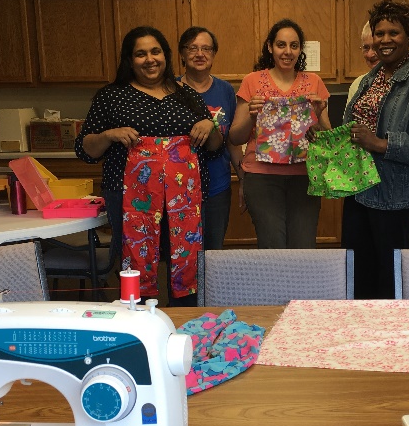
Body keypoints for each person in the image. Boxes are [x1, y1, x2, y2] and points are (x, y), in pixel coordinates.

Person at [75, 26, 222, 306]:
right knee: (137, 261)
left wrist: (208, 124)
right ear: (130, 61)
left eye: (155, 51)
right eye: (140, 54)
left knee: (186, 260)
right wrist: (109, 135)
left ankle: (185, 323)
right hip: (131, 197)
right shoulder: (112, 96)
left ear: (165, 56)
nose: (149, 59)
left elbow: (214, 146)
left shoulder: (186, 95)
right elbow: (85, 149)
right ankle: (139, 325)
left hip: (184, 198)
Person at [342, 0, 409, 299]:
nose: (385, 40)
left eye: (394, 33)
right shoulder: (370, 80)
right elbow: (354, 133)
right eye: (380, 33)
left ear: (408, 36)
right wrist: (325, 137)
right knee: (356, 277)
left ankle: (390, 342)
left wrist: (380, 143)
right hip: (358, 191)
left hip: (396, 197)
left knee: (389, 283)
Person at [229, 19, 331, 249]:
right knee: (272, 246)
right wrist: (252, 117)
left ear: (300, 49)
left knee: (303, 247)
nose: (287, 51)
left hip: (305, 177)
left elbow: (327, 138)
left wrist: (317, 115)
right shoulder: (252, 81)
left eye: (294, 46)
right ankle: (274, 287)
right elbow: (235, 137)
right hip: (261, 178)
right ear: (270, 47)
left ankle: (301, 287)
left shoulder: (314, 82)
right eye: (281, 45)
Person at [177, 26, 242, 250]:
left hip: (217, 186)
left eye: (206, 48)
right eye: (192, 48)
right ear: (182, 54)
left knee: (213, 253)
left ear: (214, 54)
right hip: (178, 189)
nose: (200, 54)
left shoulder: (225, 90)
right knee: (182, 254)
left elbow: (232, 140)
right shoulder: (169, 90)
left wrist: (243, 178)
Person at [347, 21, 379, 102]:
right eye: (366, 48)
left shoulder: (407, 84)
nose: (370, 54)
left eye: (375, 47)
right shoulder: (358, 85)